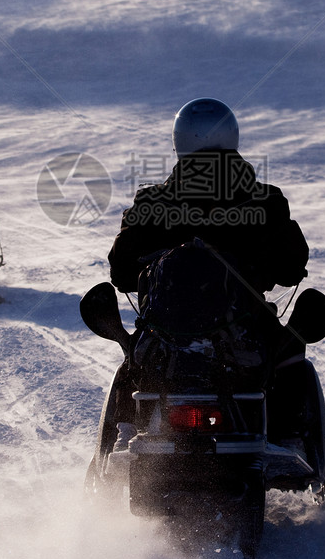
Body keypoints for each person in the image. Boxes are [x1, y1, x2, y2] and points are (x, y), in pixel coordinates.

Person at [106, 97, 311, 440]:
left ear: (179, 141)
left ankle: (124, 434)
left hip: (165, 337)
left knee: (134, 360)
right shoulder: (266, 201)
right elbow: (293, 267)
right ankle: (291, 438)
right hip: (243, 336)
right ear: (232, 137)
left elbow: (120, 271)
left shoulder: (151, 201)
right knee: (290, 358)